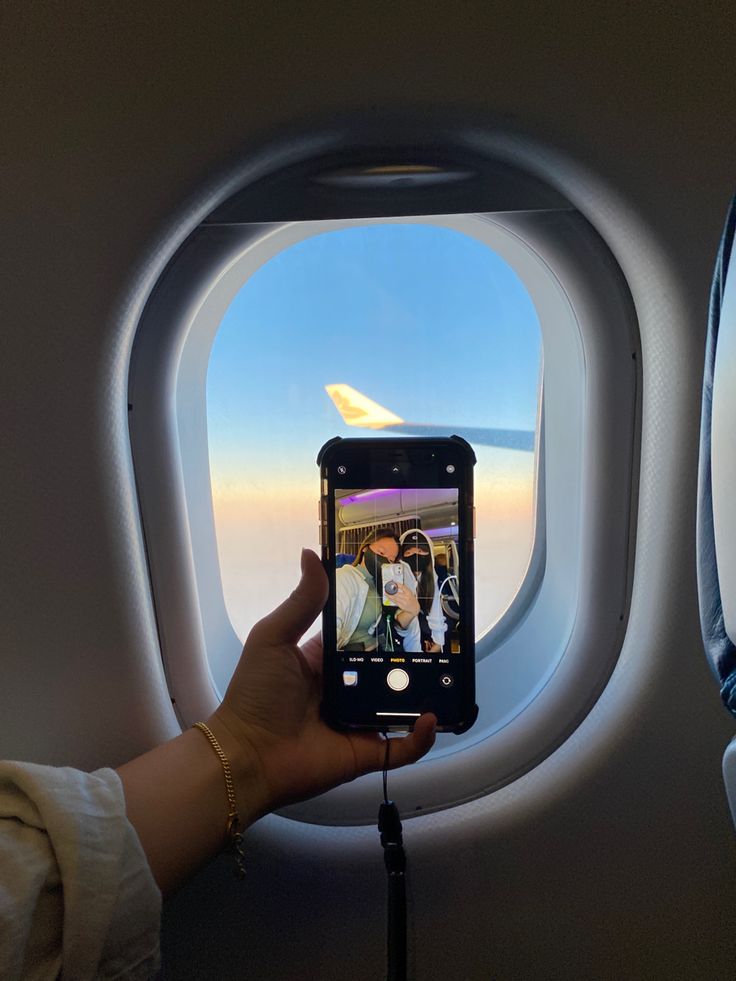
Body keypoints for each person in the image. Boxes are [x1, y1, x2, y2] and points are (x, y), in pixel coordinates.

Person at [0, 549, 437, 980]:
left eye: (406, 561)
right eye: (388, 557)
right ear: (363, 555)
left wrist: (246, 742)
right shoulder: (349, 585)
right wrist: (245, 743)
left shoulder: (396, 605)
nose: (397, 566)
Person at [335, 527, 422, 653]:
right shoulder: (343, 577)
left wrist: (412, 610)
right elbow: (333, 626)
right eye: (381, 553)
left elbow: (393, 625)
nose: (385, 561)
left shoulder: (383, 585)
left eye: (391, 560)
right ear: (365, 548)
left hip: (382, 648)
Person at [400, 529, 447, 653]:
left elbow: (436, 611)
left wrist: (438, 643)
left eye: (420, 551)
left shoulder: (433, 579)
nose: (415, 556)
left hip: (427, 638)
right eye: (409, 552)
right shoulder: (398, 580)